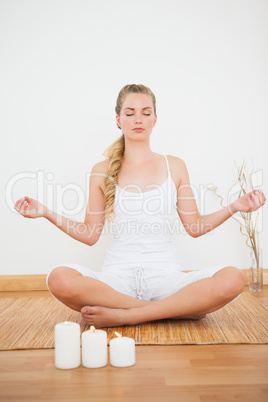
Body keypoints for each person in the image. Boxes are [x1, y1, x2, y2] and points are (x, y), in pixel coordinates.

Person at [14, 84, 266, 329]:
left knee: (233, 278)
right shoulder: (101, 171)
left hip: (166, 277)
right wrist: (46, 212)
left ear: (155, 119)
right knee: (59, 278)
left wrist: (235, 206)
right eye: (130, 113)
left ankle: (130, 316)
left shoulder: (174, 166)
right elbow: (90, 235)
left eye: (145, 113)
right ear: (118, 119)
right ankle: (172, 310)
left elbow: (195, 227)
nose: (138, 119)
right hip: (117, 280)